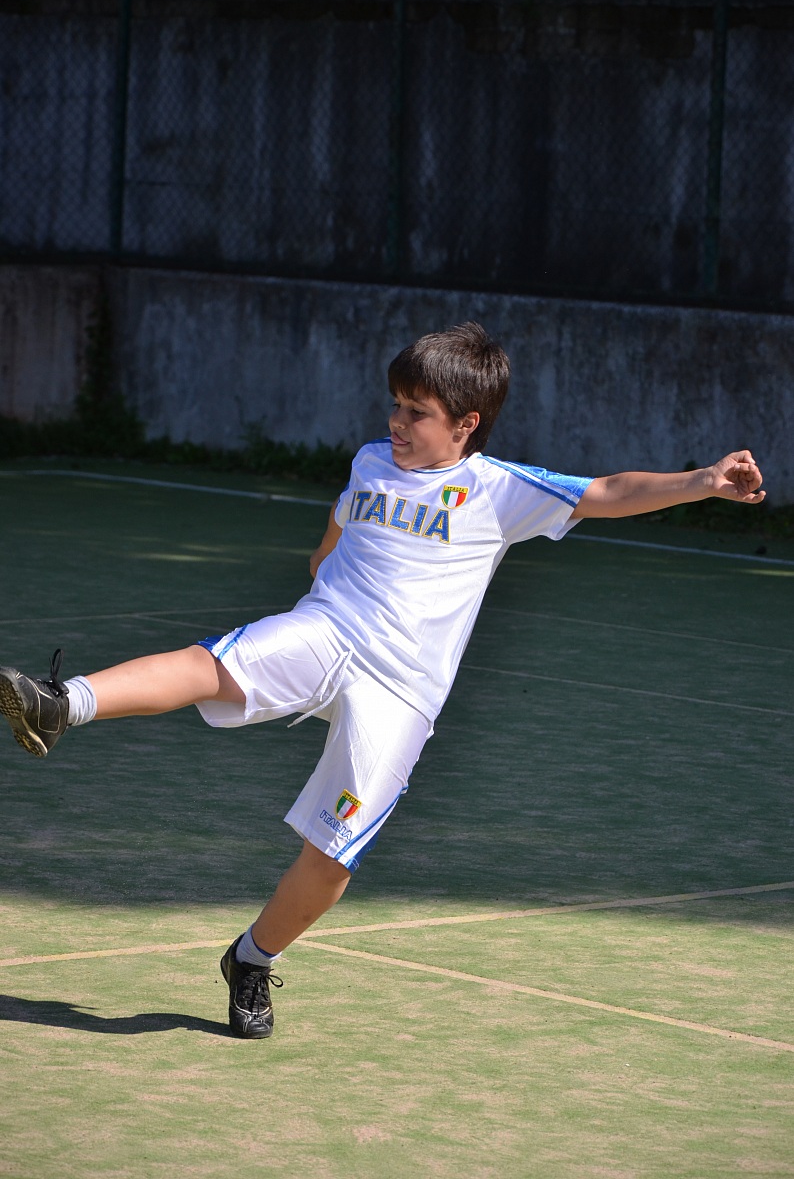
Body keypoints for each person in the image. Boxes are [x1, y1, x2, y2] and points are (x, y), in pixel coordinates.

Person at [0, 323, 766, 1040]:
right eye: (395, 405)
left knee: (333, 857)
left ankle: (252, 960)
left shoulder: (499, 489)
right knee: (213, 666)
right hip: (328, 629)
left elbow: (607, 491)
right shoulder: (370, 460)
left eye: (418, 413)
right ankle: (60, 703)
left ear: (465, 426)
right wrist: (324, 565)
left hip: (402, 691)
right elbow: (331, 541)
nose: (398, 422)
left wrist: (705, 480)